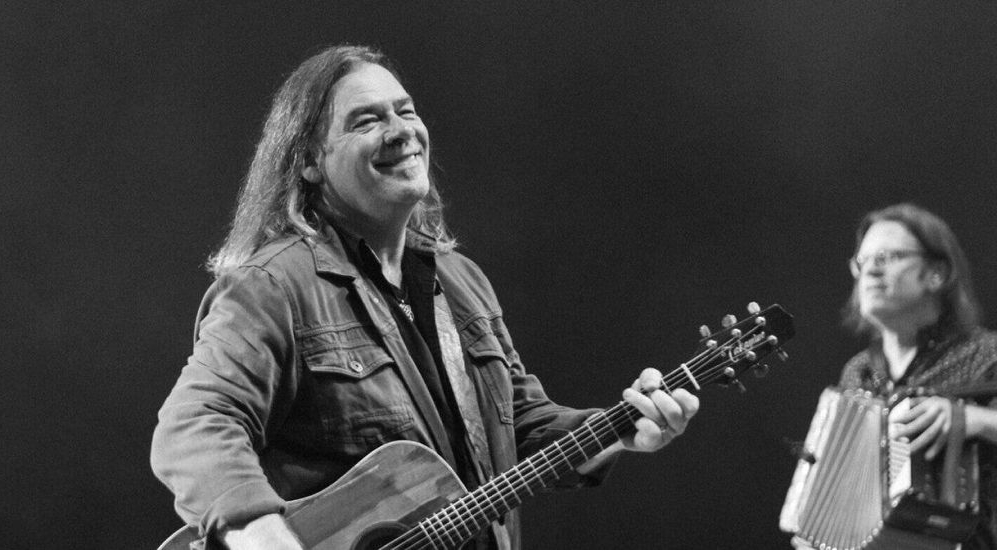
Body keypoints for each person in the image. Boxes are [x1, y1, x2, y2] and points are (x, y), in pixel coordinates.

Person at [150, 45, 699, 550]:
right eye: (367, 121)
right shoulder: (275, 285)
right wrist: (259, 534)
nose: (401, 131)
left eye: (406, 111)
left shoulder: (461, 282)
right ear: (310, 162)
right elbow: (194, 425)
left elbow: (520, 426)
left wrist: (621, 429)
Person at [834, 203, 997, 549]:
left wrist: (973, 419)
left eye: (888, 257)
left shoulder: (986, 354)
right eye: (862, 261)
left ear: (936, 273)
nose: (870, 271)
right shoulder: (858, 372)